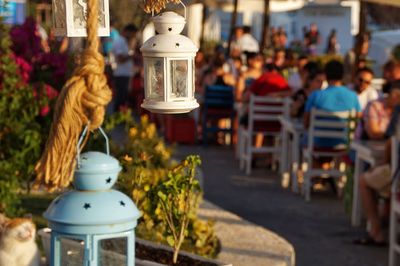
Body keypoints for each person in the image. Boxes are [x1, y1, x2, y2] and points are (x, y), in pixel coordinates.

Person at [304, 60, 362, 145]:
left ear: (326, 76)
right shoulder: (353, 96)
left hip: (318, 143)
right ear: (342, 75)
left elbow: (306, 123)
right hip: (344, 144)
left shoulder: (316, 95)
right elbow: (358, 120)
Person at [111, 24, 137, 111]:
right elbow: (120, 58)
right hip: (121, 74)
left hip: (125, 73)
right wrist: (132, 56)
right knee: (120, 98)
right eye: (132, 34)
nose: (133, 36)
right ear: (127, 31)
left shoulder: (123, 41)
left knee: (123, 97)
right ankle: (118, 117)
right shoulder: (119, 41)